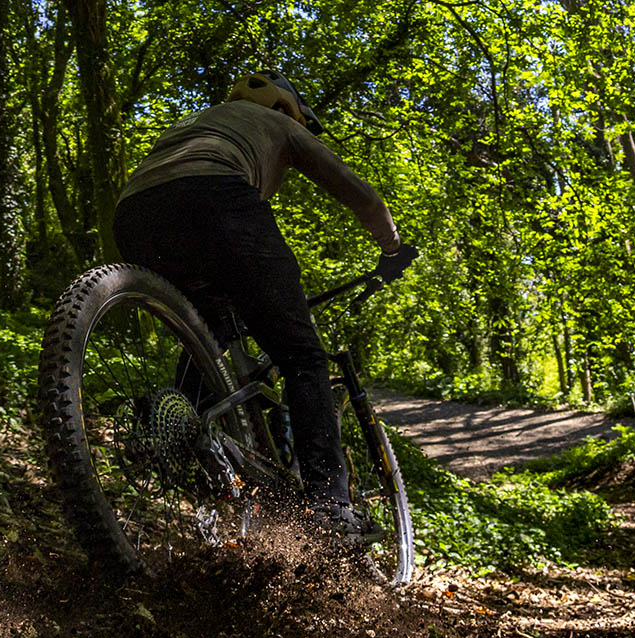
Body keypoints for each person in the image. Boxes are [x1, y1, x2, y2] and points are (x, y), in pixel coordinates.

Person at [112, 69, 416, 540]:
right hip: (216, 200)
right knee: (302, 356)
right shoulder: (280, 124)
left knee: (210, 330)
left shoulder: (199, 122)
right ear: (285, 108)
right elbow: (360, 194)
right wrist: (392, 247)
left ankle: (172, 428)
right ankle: (328, 506)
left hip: (135, 215)